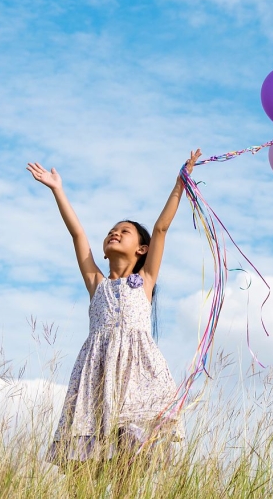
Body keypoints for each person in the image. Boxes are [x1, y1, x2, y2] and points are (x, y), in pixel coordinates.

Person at [26, 149, 201, 483]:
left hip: (137, 374)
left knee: (128, 459)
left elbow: (161, 229)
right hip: (97, 372)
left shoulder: (145, 282)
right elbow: (78, 235)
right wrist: (57, 190)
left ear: (142, 249)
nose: (114, 234)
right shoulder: (97, 283)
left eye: (124, 231)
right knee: (83, 466)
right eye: (111, 231)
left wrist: (180, 183)